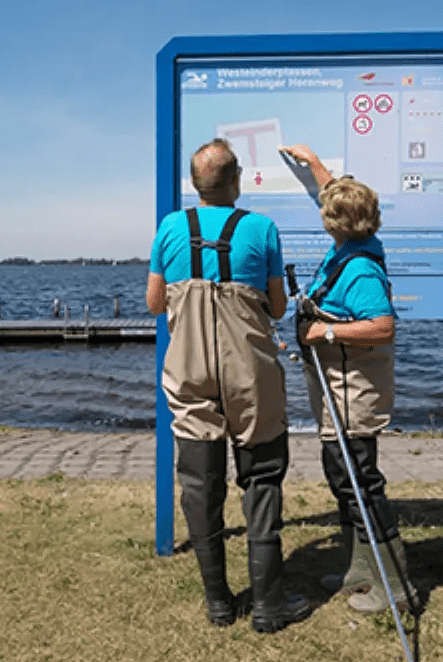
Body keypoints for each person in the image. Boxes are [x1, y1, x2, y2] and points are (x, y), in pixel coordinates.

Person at [147, 138, 309, 633]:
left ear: (196, 185)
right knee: (260, 478)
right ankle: (266, 605)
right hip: (250, 371)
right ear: (236, 180)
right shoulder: (261, 228)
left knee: (200, 484)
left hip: (190, 367)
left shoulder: (171, 228)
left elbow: (155, 302)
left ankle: (218, 603)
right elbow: (278, 307)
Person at [278, 144, 414, 614]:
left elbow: (383, 326)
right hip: (336, 386)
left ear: (335, 223)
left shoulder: (359, 268)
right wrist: (313, 163)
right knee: (342, 476)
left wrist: (325, 330)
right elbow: (336, 194)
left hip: (353, 391)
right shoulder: (356, 244)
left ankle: (394, 583)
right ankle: (362, 565)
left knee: (359, 481)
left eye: (327, 210)